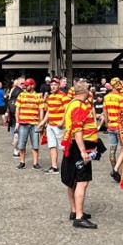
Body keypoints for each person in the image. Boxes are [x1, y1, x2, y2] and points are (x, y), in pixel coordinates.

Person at [62, 82, 100, 229]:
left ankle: (75, 210)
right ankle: (79, 217)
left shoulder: (71, 103)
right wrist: (83, 151)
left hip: (72, 146)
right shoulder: (78, 106)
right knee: (82, 181)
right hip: (79, 147)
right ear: (85, 91)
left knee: (73, 180)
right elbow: (77, 130)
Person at [14, 80, 44, 170]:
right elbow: (17, 109)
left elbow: (41, 109)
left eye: (27, 85)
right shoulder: (21, 95)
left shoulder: (38, 96)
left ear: (32, 86)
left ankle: (35, 163)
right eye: (25, 85)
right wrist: (17, 121)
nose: (25, 87)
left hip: (35, 123)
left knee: (35, 144)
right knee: (21, 144)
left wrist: (41, 122)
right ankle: (22, 162)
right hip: (23, 123)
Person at [44, 79, 71, 174]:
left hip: (59, 127)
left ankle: (68, 167)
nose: (53, 87)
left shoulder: (64, 96)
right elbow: (48, 111)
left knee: (64, 147)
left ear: (59, 85)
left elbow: (68, 110)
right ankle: (54, 167)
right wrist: (43, 122)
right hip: (50, 125)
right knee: (51, 146)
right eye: (52, 85)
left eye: (55, 85)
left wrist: (62, 121)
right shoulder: (50, 97)